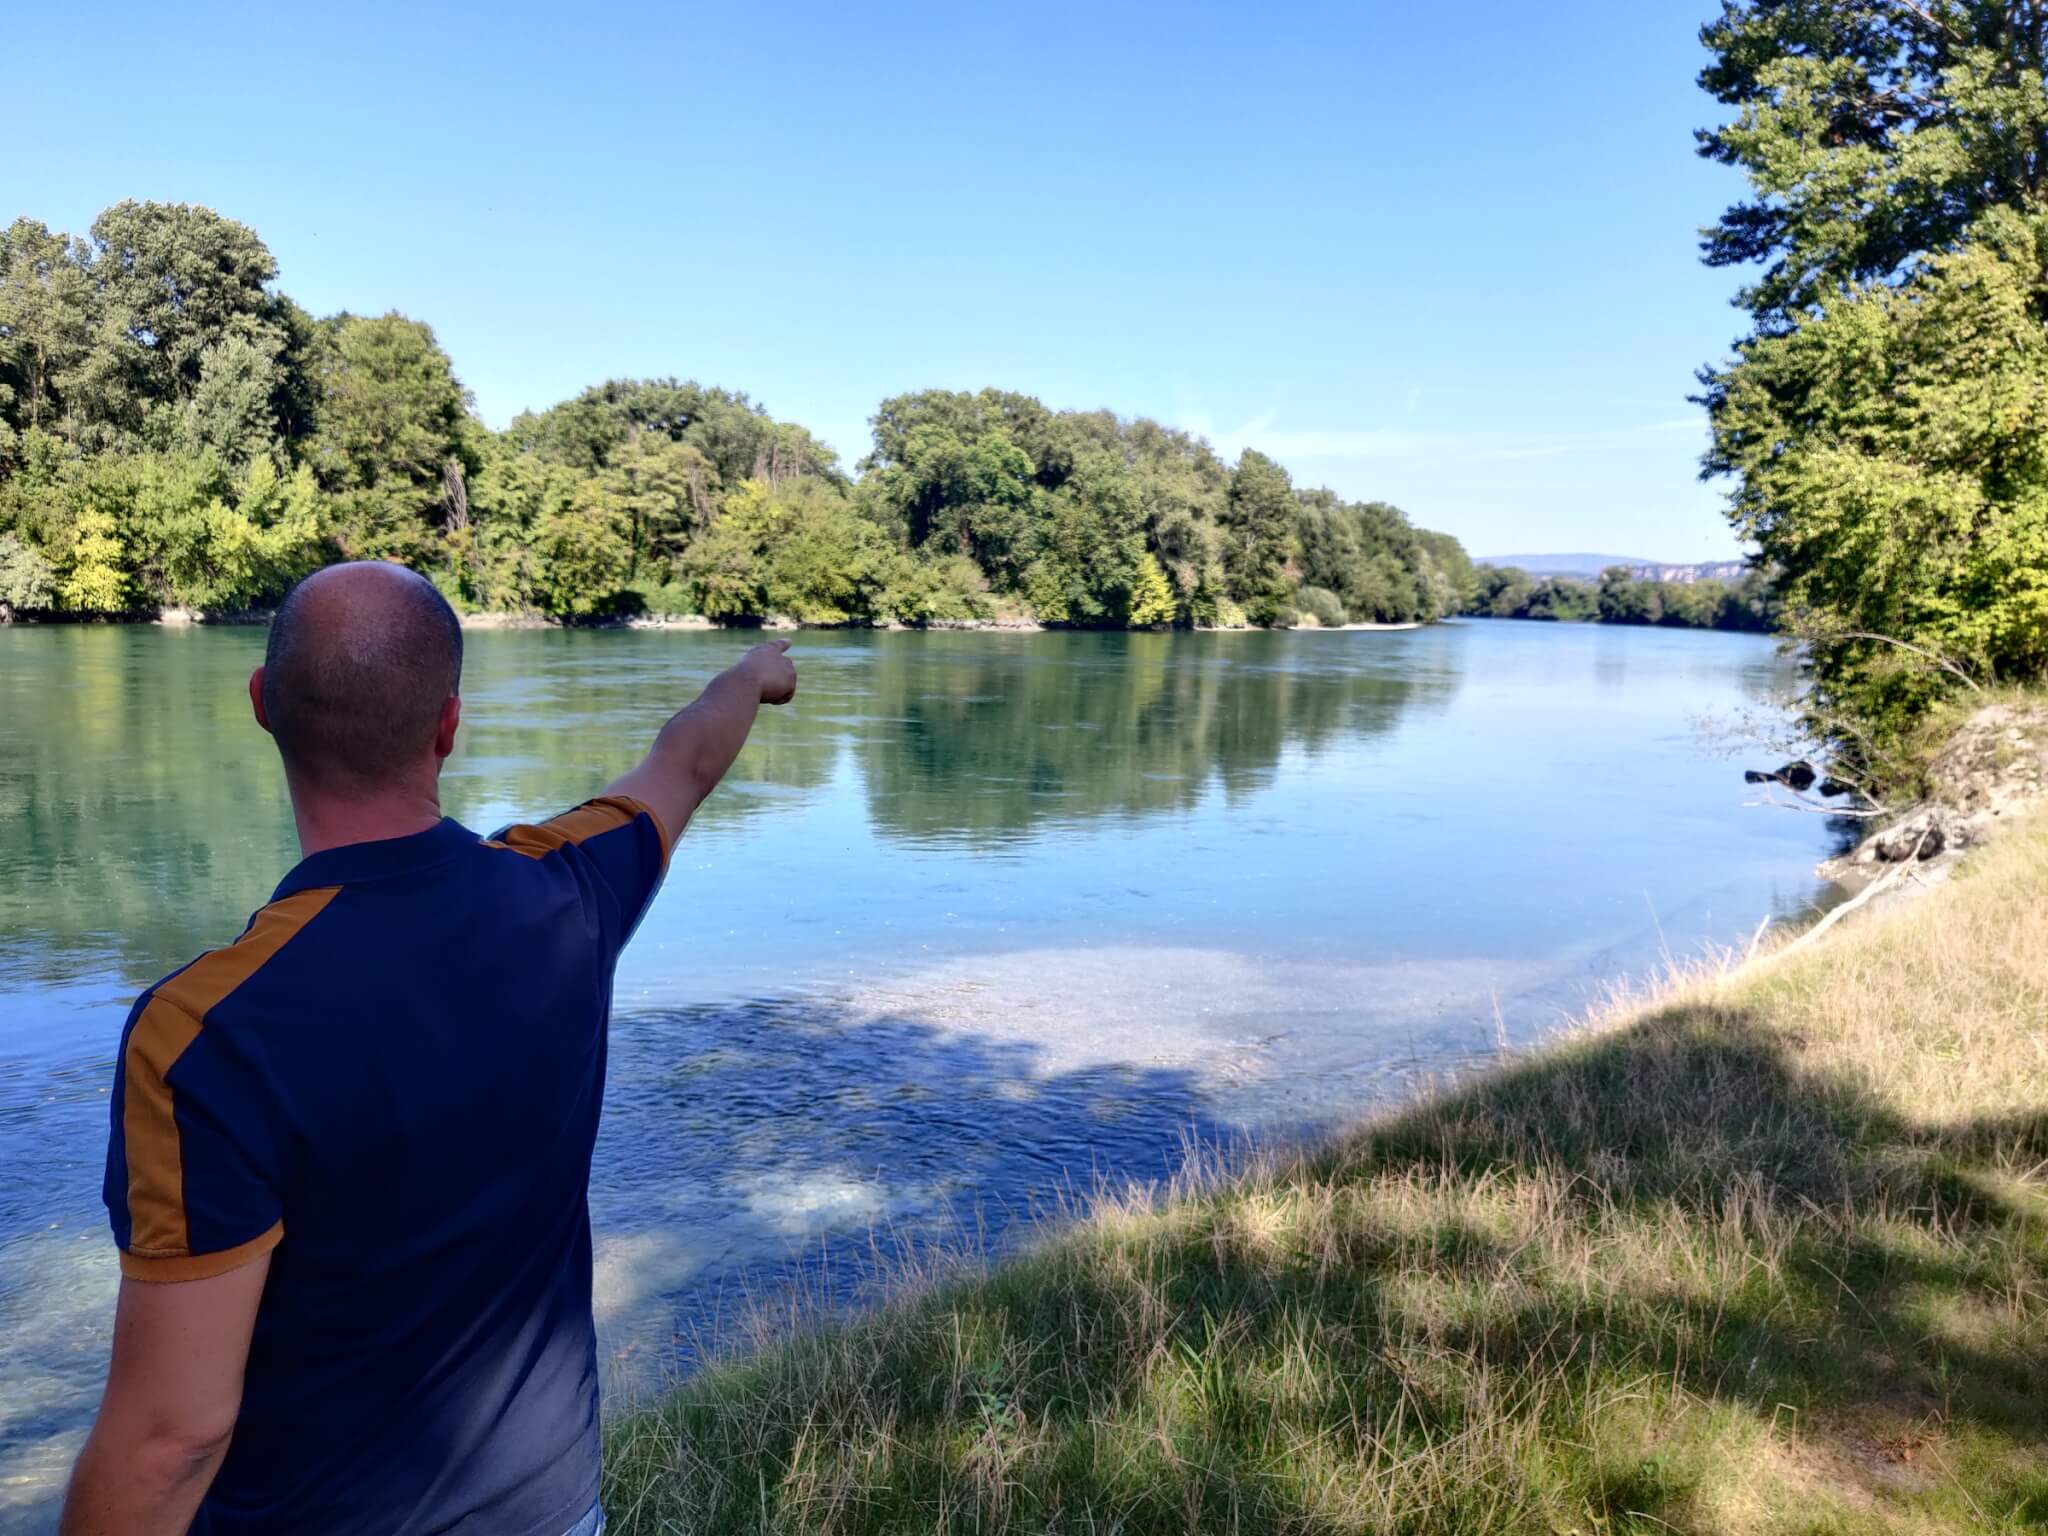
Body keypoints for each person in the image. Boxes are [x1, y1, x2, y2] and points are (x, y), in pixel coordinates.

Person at [58, 561, 797, 1536]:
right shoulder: (568, 893)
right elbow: (684, 763)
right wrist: (749, 675)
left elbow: (174, 1438)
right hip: (553, 1512)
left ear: (260, 707)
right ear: (449, 725)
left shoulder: (203, 1033)